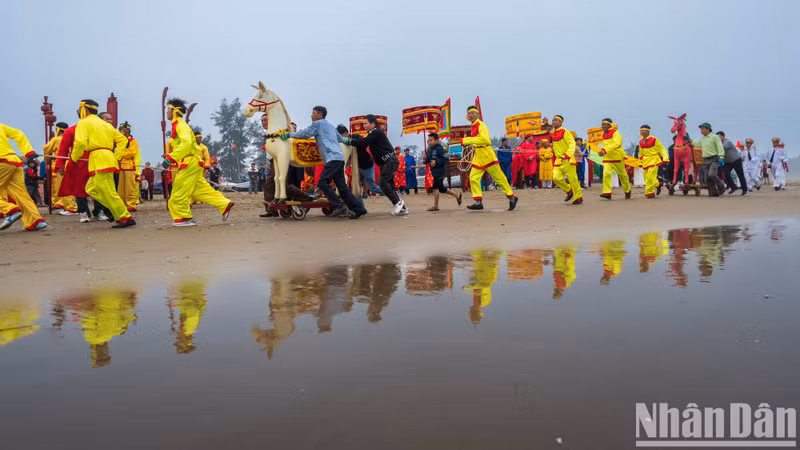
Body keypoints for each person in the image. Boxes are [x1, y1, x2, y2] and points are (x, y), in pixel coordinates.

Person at [280, 105, 367, 219]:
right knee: (342, 187)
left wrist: (289, 135)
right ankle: (359, 209)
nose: (311, 115)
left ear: (320, 114)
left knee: (322, 183)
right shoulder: (330, 125)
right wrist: (348, 141)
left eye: (313, 113)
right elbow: (341, 139)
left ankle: (339, 206)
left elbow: (305, 134)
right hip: (339, 158)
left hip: (332, 159)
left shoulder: (318, 124)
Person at [163, 98, 234, 226]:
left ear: (174, 111)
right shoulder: (179, 125)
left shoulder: (180, 125)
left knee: (177, 192)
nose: (166, 112)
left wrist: (171, 157)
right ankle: (224, 204)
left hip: (189, 163)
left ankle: (185, 218)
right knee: (199, 191)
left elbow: (186, 143)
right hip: (193, 163)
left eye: (168, 109)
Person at [71, 100, 135, 228]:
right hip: (101, 159)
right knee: (91, 189)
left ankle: (124, 216)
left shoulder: (83, 122)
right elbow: (123, 140)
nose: (78, 111)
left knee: (109, 192)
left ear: (85, 109)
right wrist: (115, 156)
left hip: (100, 159)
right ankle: (114, 211)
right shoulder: (105, 125)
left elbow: (80, 143)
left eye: (80, 108)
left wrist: (74, 157)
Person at [343, 115, 406, 215]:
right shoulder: (372, 133)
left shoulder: (375, 132)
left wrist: (347, 141)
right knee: (388, 184)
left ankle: (398, 202)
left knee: (382, 182)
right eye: (363, 124)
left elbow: (363, 142)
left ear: (373, 123)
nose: (364, 126)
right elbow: (362, 140)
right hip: (387, 161)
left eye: (365, 123)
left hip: (389, 161)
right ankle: (402, 208)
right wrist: (350, 137)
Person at [462, 106, 517, 210]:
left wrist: (466, 141)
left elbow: (486, 140)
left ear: (477, 114)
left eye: (473, 113)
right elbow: (477, 140)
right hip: (478, 155)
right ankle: (478, 201)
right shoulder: (474, 126)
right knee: (473, 177)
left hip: (487, 154)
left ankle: (511, 197)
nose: (471, 115)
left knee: (499, 178)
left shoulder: (481, 125)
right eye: (469, 113)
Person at [262, 114, 312, 217]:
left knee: (278, 184)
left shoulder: (277, 132)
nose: (263, 122)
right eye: (262, 120)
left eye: (266, 120)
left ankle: (305, 197)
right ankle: (271, 208)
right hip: (272, 160)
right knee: (272, 184)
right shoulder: (267, 133)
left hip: (280, 160)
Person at [0, 123, 47, 231]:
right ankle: (35, 221)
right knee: (21, 194)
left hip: (1, 162)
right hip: (14, 161)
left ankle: (11, 210)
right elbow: (19, 134)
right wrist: (28, 152)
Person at [336, 124, 382, 197]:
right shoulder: (343, 143)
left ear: (346, 133)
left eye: (340, 135)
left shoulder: (356, 137)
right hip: (357, 167)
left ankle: (389, 192)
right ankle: (358, 206)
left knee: (372, 187)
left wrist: (349, 141)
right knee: (356, 188)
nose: (340, 138)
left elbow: (362, 144)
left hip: (367, 165)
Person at [43, 122, 77, 215]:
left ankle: (69, 207)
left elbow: (46, 149)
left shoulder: (56, 139)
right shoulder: (73, 138)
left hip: (60, 165)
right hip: (71, 163)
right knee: (68, 186)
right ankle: (63, 205)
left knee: (59, 187)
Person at [424, 132, 462, 211]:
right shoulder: (430, 149)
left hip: (440, 171)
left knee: (435, 188)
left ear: (436, 141)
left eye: (431, 140)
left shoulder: (439, 148)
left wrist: (436, 162)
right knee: (441, 189)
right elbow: (428, 158)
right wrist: (425, 161)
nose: (429, 142)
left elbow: (446, 158)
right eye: (428, 141)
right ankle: (457, 195)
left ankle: (436, 206)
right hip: (434, 172)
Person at [550, 115, 583, 204]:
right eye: (553, 120)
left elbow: (572, 143)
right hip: (558, 160)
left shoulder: (565, 131)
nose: (553, 122)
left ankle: (578, 197)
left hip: (568, 159)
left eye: (556, 120)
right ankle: (569, 191)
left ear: (561, 122)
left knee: (573, 179)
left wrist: (567, 154)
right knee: (556, 178)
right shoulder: (552, 133)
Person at [688, 122, 726, 197]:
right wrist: (689, 139)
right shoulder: (702, 138)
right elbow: (696, 144)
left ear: (708, 129)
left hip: (714, 158)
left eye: (702, 129)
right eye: (701, 129)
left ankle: (721, 185)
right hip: (705, 159)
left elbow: (720, 146)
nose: (701, 130)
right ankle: (714, 192)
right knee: (707, 178)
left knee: (712, 174)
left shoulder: (715, 137)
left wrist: (721, 156)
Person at [598, 118, 631, 200]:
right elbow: (606, 146)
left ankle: (627, 190)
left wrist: (604, 150)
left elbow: (617, 144)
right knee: (606, 174)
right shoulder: (603, 134)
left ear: (610, 125)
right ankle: (607, 193)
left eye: (604, 124)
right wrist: (602, 151)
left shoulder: (616, 133)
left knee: (623, 175)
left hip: (617, 157)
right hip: (607, 157)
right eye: (602, 124)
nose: (603, 126)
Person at [638, 125, 670, 198]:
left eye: (643, 130)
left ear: (648, 131)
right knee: (646, 177)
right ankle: (658, 184)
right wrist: (640, 162)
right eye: (641, 130)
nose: (641, 132)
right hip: (645, 161)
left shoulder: (654, 139)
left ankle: (650, 193)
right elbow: (641, 153)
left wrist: (665, 158)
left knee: (650, 177)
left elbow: (662, 148)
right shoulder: (640, 141)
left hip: (653, 159)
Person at [116, 122, 141, 211]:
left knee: (130, 187)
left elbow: (131, 153)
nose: (122, 131)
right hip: (120, 166)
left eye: (124, 129)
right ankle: (122, 204)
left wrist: (120, 153)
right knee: (120, 188)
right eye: (120, 129)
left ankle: (131, 204)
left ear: (128, 130)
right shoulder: (118, 141)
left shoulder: (133, 142)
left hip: (129, 166)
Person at [717, 131, 748, 196]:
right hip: (728, 163)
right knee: (725, 174)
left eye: (718, 137)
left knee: (740, 175)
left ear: (723, 136)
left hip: (736, 160)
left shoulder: (727, 141)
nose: (717, 138)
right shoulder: (718, 143)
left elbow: (722, 148)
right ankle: (734, 187)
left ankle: (745, 190)